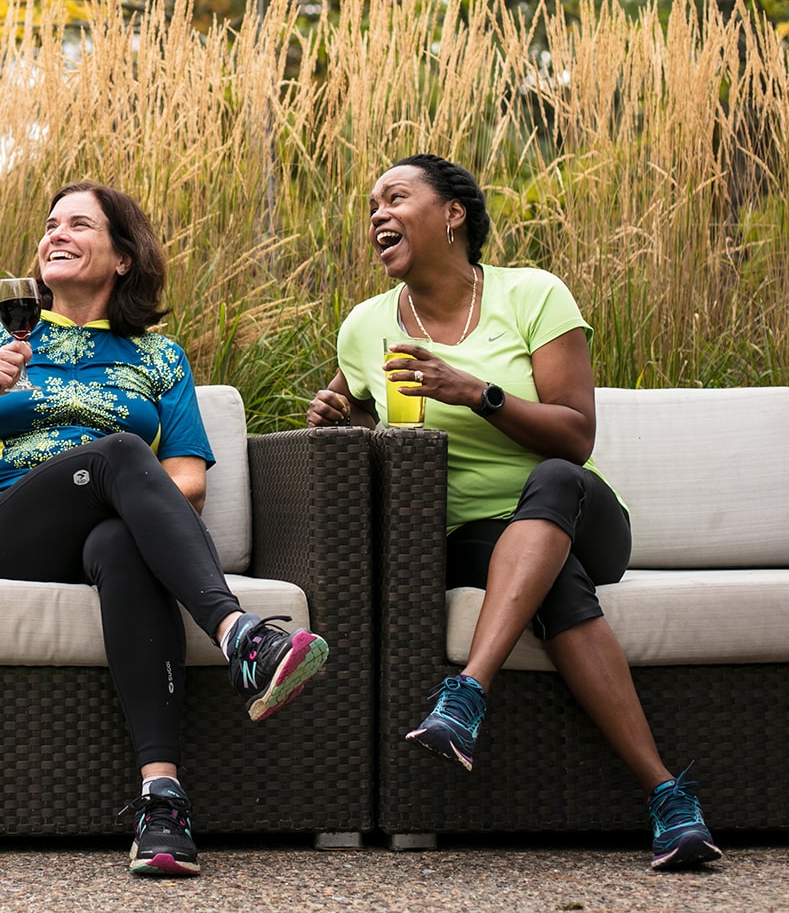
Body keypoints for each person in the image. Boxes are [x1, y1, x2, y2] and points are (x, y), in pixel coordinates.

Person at [0, 181, 330, 880]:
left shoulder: (158, 356)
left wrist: (127, 498)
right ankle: (239, 635)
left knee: (122, 541)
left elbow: (187, 483)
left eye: (78, 224)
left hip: (109, 536)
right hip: (10, 534)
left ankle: (163, 802)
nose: (55, 235)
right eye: (49, 225)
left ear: (124, 257)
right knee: (124, 452)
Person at [306, 154, 722, 872]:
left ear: (453, 213)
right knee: (551, 586)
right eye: (371, 203)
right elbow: (373, 431)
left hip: (579, 514)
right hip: (470, 538)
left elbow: (576, 431)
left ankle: (468, 689)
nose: (376, 213)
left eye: (396, 197)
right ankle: (668, 799)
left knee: (555, 479)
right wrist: (338, 419)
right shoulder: (365, 325)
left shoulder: (532, 294)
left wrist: (477, 393)